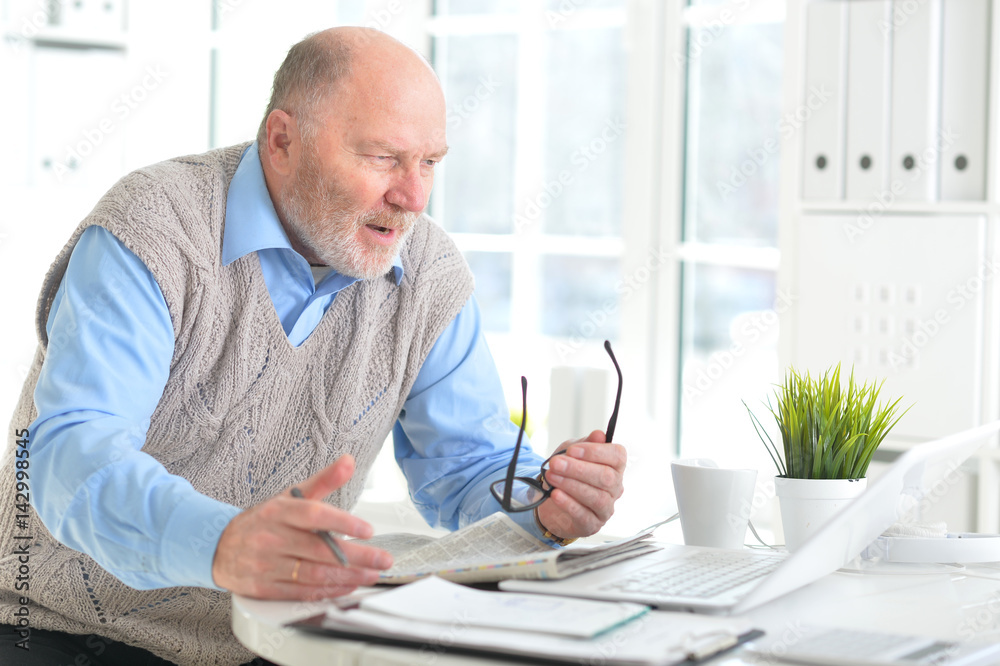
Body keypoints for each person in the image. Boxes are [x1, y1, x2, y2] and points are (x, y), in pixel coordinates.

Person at [0, 27, 626, 666]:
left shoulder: (429, 274)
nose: (413, 197)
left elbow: (467, 471)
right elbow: (71, 454)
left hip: (271, 643)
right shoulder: (154, 229)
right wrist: (222, 543)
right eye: (383, 157)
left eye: (430, 162)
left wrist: (547, 507)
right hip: (63, 633)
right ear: (282, 140)